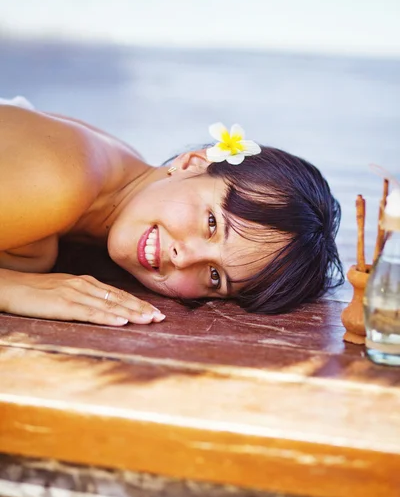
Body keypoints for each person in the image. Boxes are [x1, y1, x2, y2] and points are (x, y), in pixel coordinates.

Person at [0, 97, 344, 327]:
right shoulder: (60, 181)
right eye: (211, 223)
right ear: (193, 163)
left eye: (214, 276)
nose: (184, 258)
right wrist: (13, 288)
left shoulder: (114, 183)